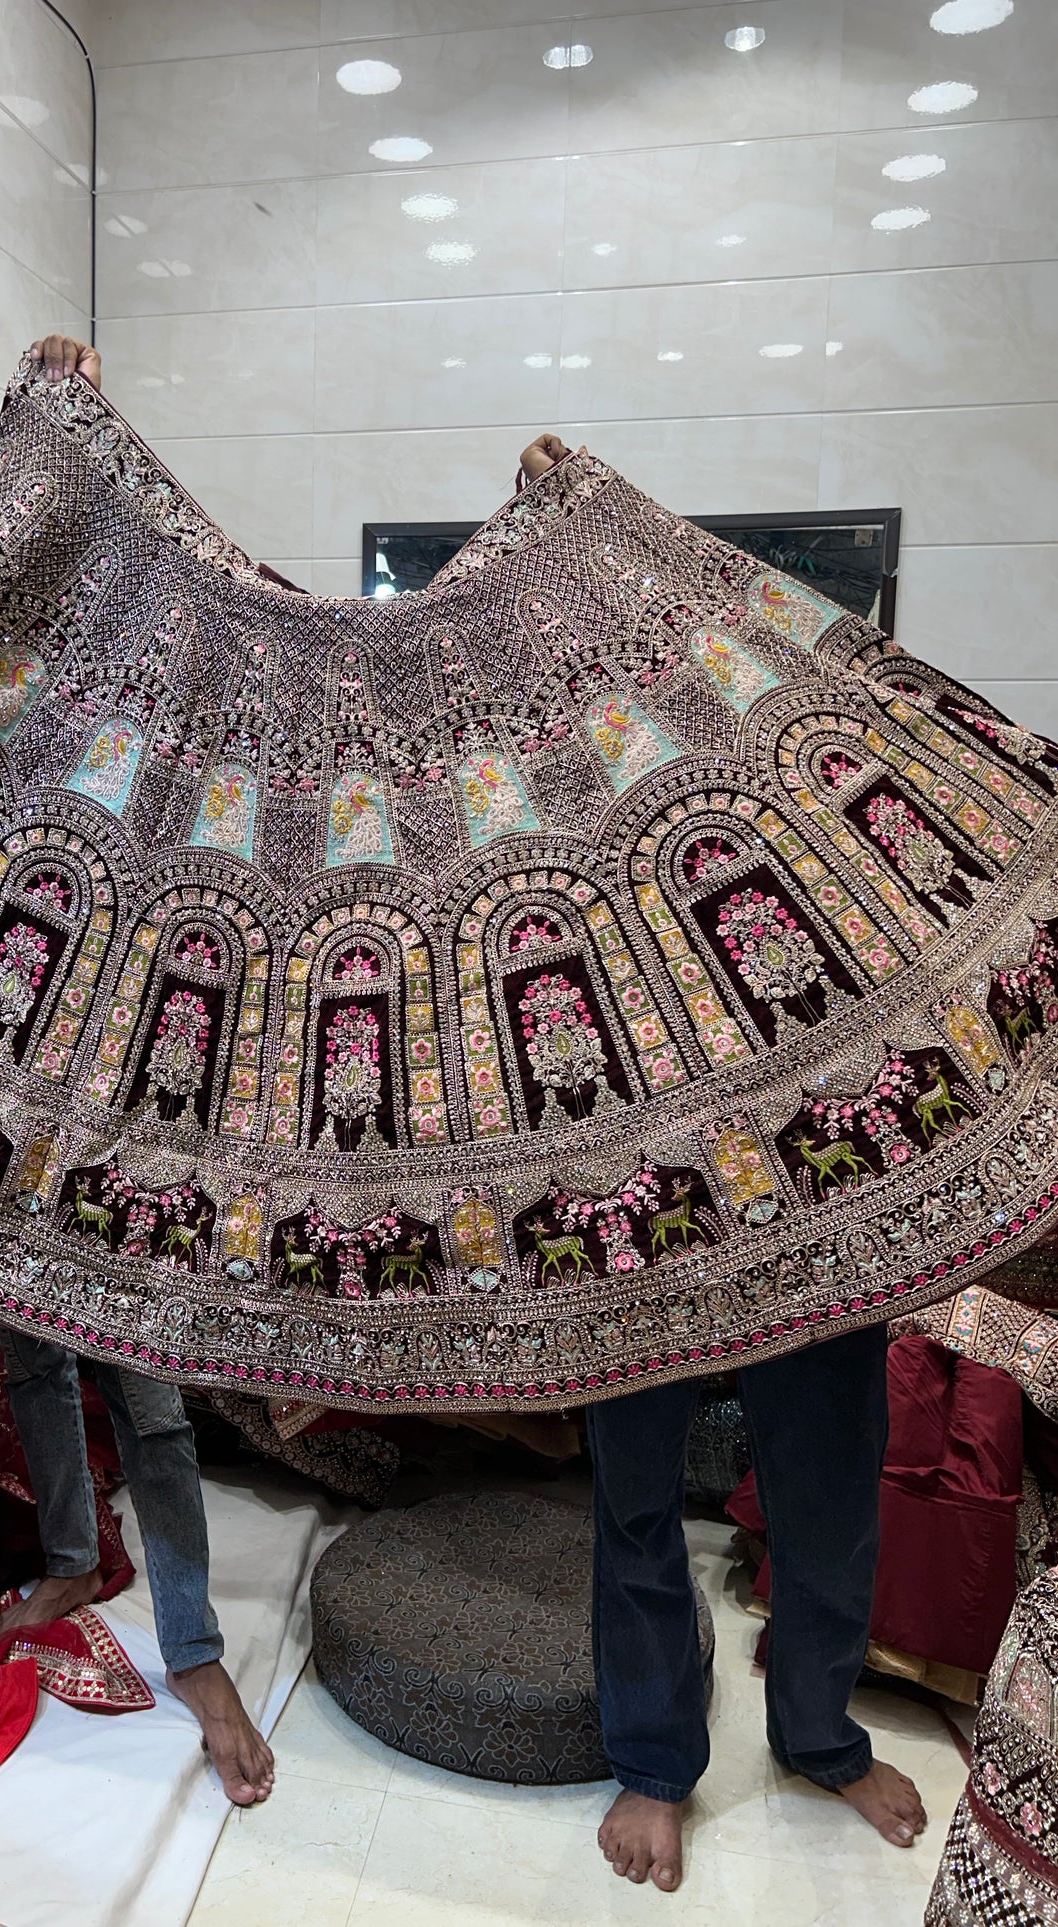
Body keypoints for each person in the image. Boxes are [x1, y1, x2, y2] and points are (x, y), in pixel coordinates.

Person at [521, 419, 926, 1898]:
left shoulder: (806, 784)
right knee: (633, 1508)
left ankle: (817, 1736)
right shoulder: (552, 813)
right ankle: (652, 1760)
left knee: (826, 1503)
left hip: (816, 1223)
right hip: (636, 1221)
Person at [0, 335, 275, 1812]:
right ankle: (60, 1555)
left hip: (139, 1124)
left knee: (148, 1396)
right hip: (15, 1086)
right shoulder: (61, 745)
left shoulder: (217, 789)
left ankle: (195, 1644)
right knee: (32, 1352)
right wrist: (65, 419)